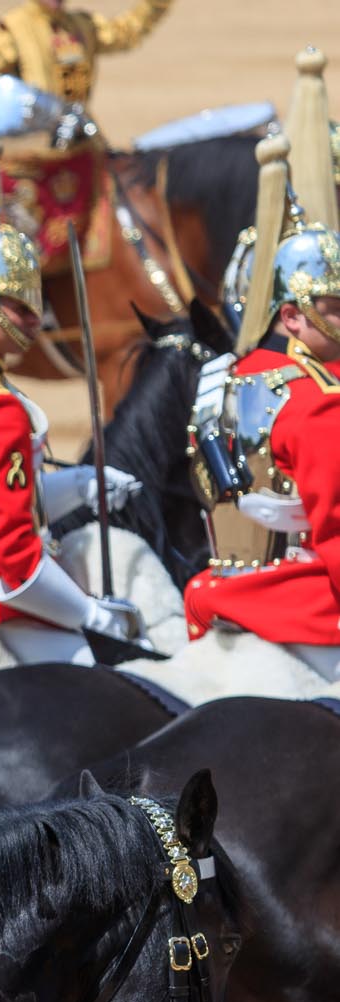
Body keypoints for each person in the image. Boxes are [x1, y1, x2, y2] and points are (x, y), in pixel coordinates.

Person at [0, 141, 142, 664]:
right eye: (19, 306)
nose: (35, 321)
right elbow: (16, 558)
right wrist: (90, 614)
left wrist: (83, 484)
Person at [184, 140, 340, 678]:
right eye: (334, 307)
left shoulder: (226, 379)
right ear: (292, 317)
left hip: (221, 589)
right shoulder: (318, 401)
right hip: (305, 607)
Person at [0, 0, 173, 115]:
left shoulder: (81, 25)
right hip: (29, 147)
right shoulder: (13, 28)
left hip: (78, 139)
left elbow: (126, 33)